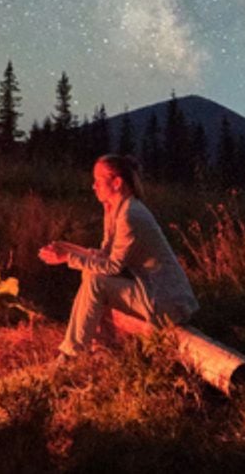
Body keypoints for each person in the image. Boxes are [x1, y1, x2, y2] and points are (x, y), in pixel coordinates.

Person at [38, 154, 198, 359]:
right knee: (90, 273)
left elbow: (113, 266)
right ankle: (98, 344)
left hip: (165, 300)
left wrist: (69, 257)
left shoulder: (130, 215)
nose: (94, 186)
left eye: (98, 180)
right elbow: (105, 256)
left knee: (96, 281)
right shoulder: (117, 210)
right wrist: (69, 250)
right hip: (150, 291)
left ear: (117, 183)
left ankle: (71, 354)